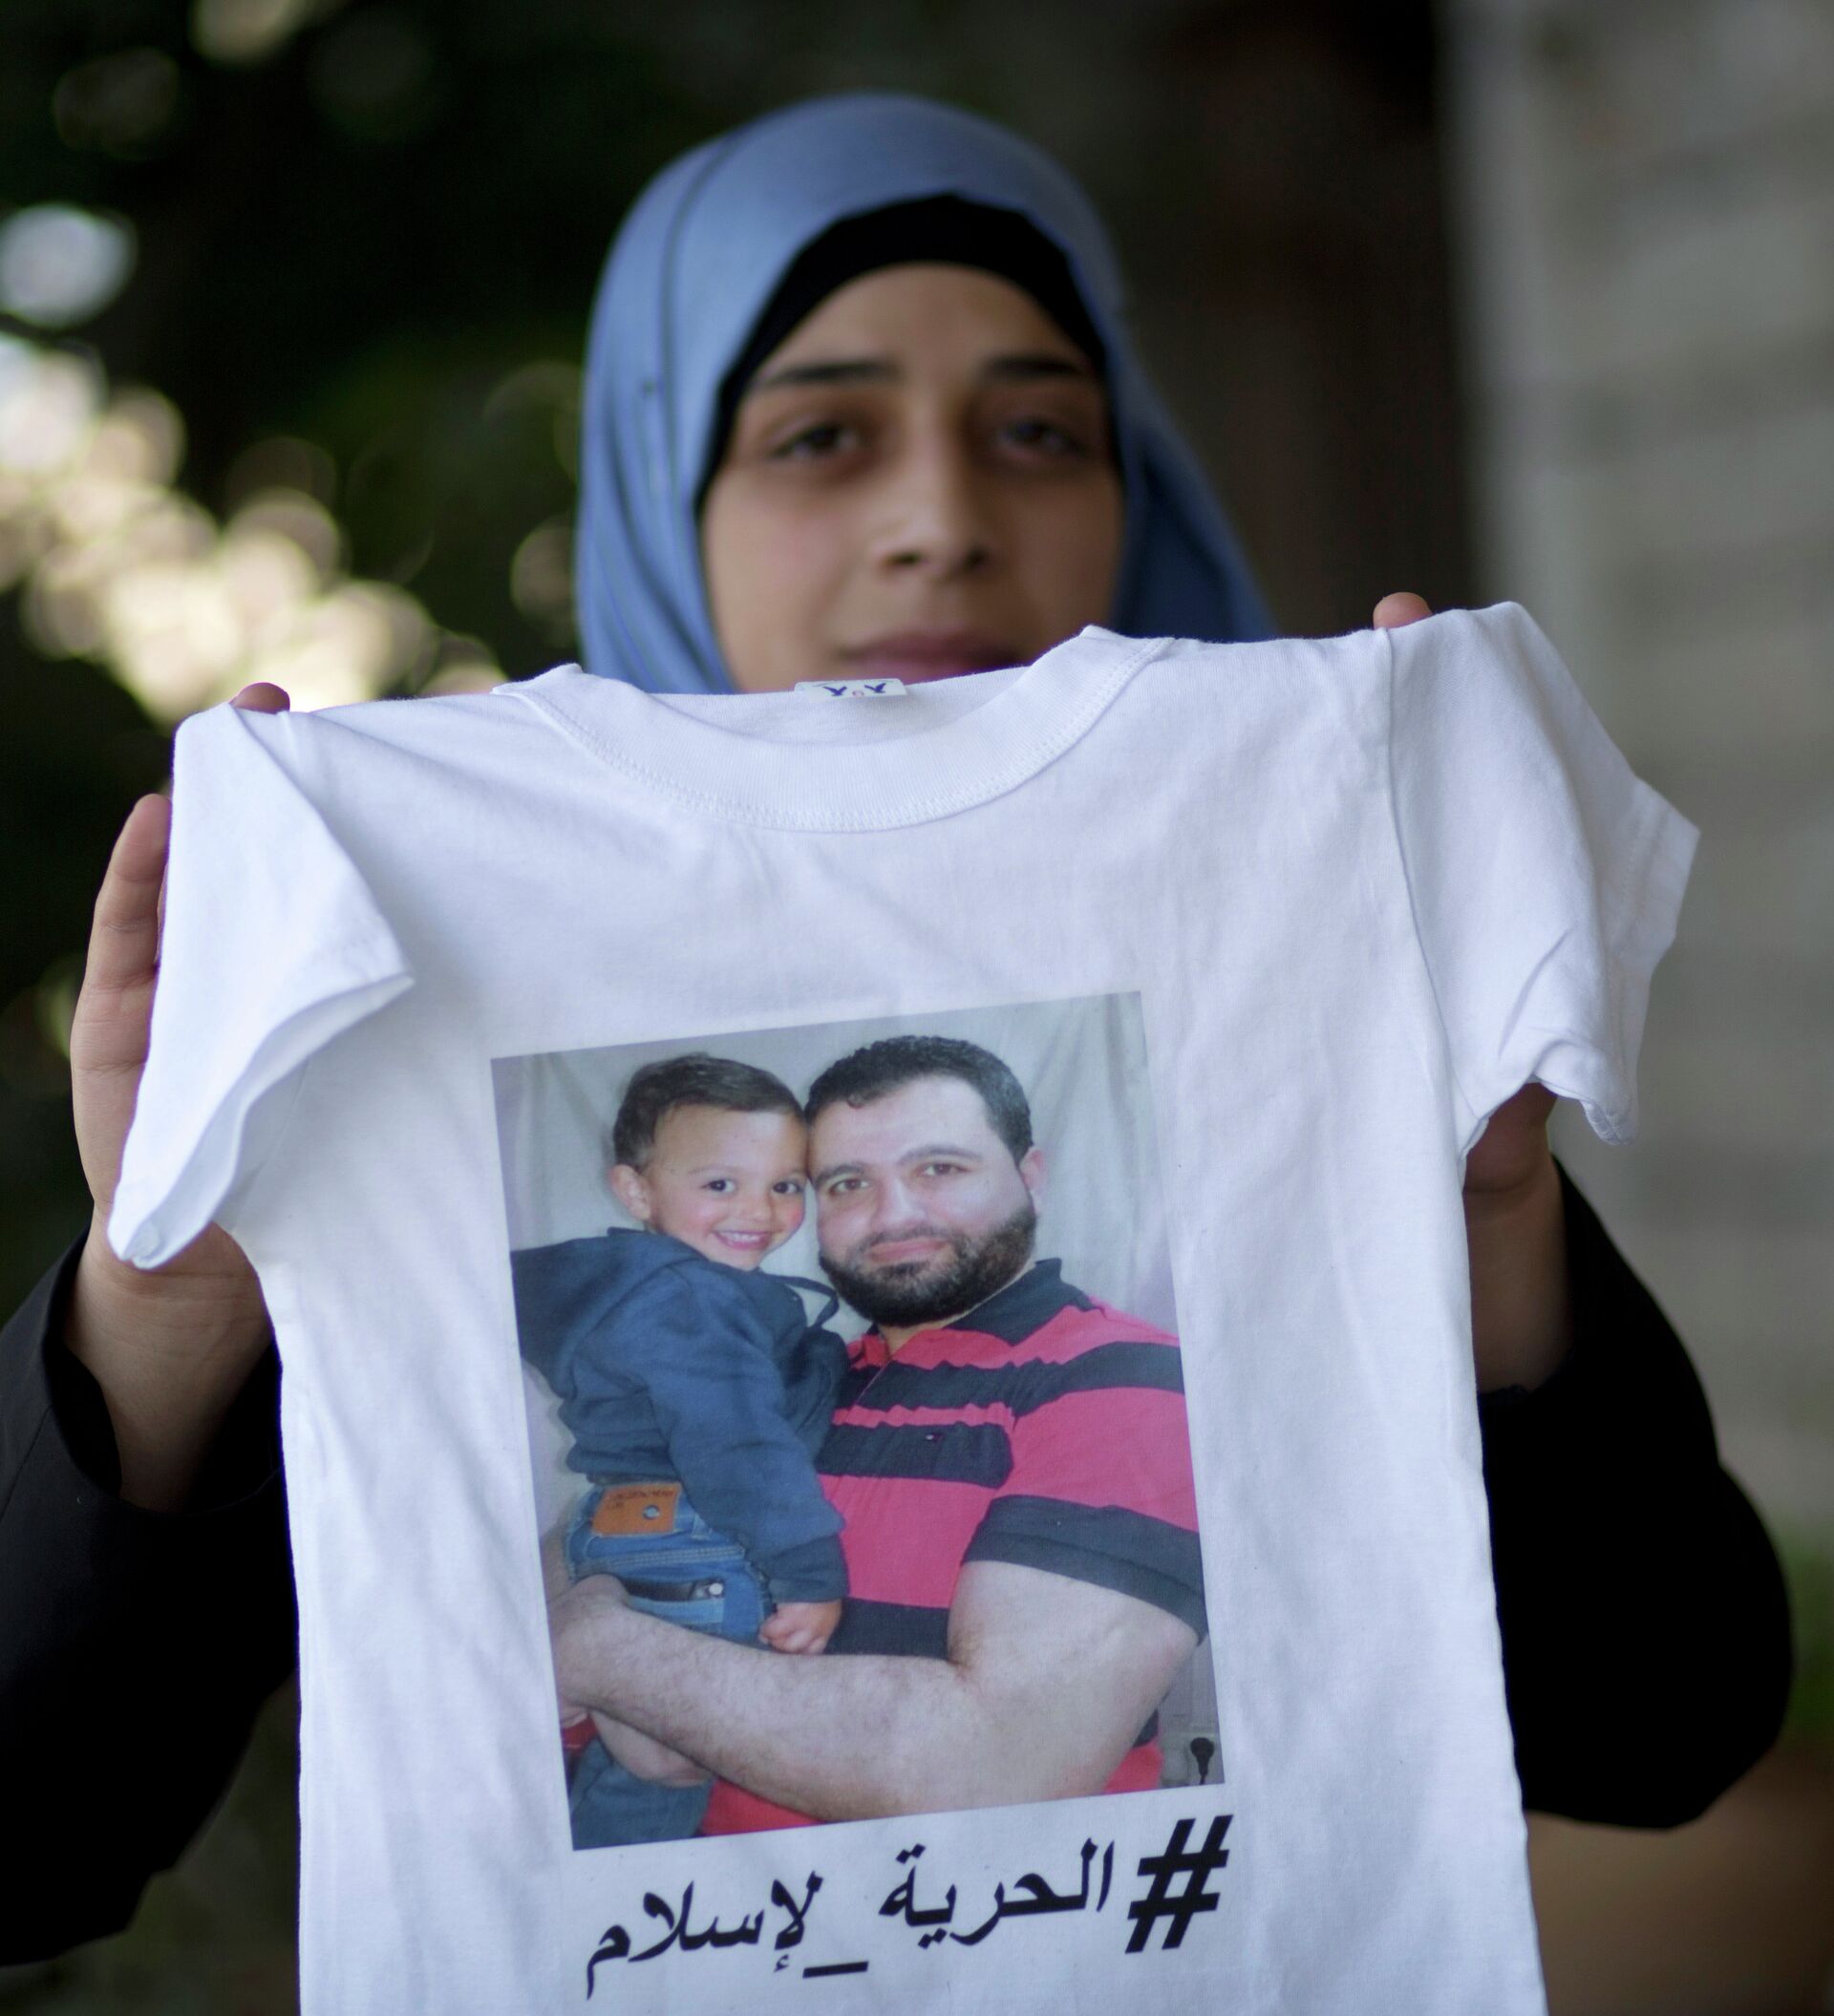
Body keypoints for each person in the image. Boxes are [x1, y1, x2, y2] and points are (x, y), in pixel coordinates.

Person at [0, 92, 1789, 1958]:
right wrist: (176, 1283)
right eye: (820, 437)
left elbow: (1664, 1724)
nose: (941, 523)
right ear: (665, 488)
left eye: (1038, 431)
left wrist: (1480, 1211)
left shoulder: (1294, 931)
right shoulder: (423, 964)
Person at [608, 1033, 1206, 1833]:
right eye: (847, 1182)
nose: (892, 1215)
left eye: (940, 1168)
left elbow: (1000, 1763)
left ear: (1031, 1176)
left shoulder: (1124, 1376)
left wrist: (593, 1647)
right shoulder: (798, 1377)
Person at [510, 1052, 849, 1847]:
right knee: (678, 1763)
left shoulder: (646, 1291)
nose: (759, 1210)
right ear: (636, 1191)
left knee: (636, 1761)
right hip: (692, 1536)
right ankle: (609, 1892)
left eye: (785, 1184)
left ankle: (587, 1856)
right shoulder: (692, 1300)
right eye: (721, 1183)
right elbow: (739, 1443)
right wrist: (810, 1572)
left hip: (621, 1523)